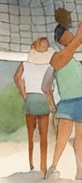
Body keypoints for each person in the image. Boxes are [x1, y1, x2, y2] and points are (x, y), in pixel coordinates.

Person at [47, 5, 82, 181]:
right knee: (62, 138)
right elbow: (79, 39)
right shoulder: (58, 57)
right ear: (62, 39)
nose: (72, 35)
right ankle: (53, 168)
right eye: (68, 33)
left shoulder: (72, 57)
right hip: (67, 103)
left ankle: (81, 170)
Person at [14, 38, 53, 174]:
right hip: (42, 98)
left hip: (31, 98)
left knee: (31, 135)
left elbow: (17, 78)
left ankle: (31, 164)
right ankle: (43, 165)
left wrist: (23, 94)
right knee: (43, 137)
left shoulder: (26, 63)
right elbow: (52, 84)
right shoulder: (50, 64)